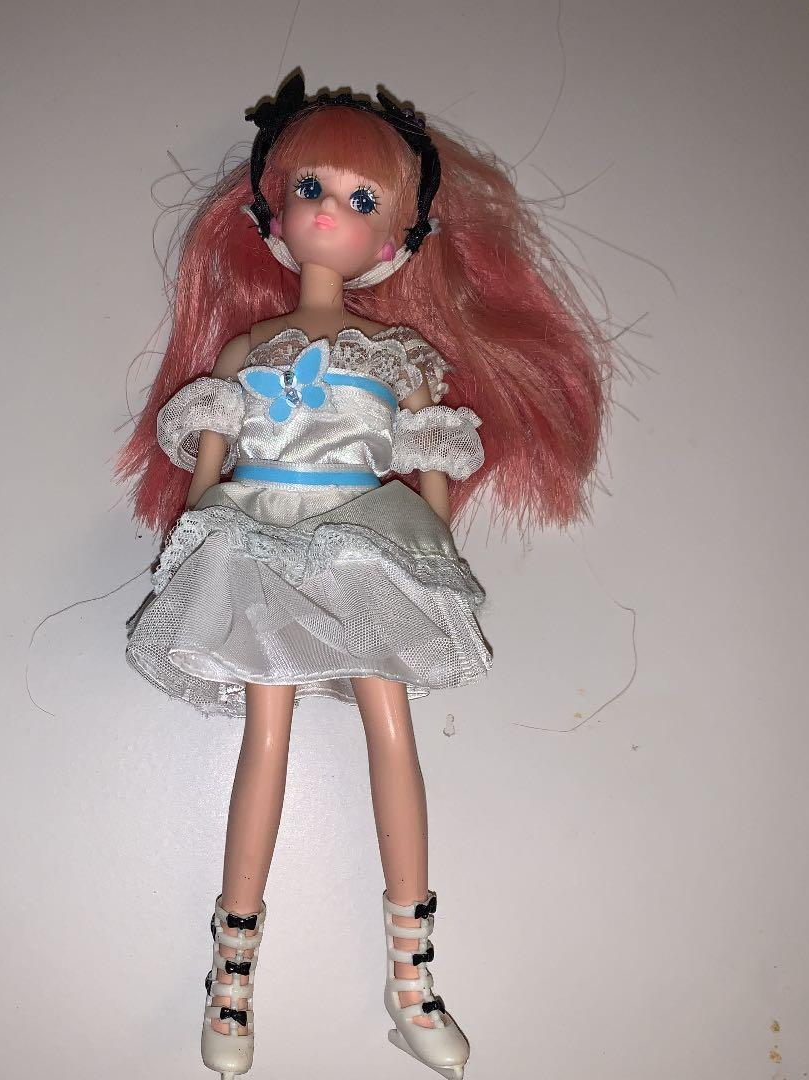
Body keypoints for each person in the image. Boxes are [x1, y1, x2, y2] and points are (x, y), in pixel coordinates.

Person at [117, 71, 611, 1080]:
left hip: (363, 540)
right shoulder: (245, 349)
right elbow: (208, 467)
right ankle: (231, 977)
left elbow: (431, 464)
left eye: (360, 198)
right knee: (267, 733)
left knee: (392, 730)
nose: (329, 212)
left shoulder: (400, 358)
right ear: (272, 217)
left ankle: (412, 975)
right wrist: (199, 543)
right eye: (311, 189)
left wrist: (423, 558)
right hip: (258, 535)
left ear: (395, 243)